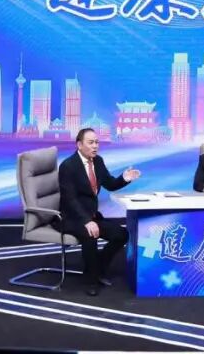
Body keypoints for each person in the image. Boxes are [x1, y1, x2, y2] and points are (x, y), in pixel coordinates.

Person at [56, 127, 141, 296]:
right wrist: (86, 221)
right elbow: (70, 200)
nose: (95, 146)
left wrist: (124, 178)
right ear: (79, 145)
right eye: (91, 142)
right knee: (90, 234)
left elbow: (110, 184)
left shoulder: (98, 161)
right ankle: (91, 280)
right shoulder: (68, 166)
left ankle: (96, 267)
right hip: (72, 218)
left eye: (97, 142)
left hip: (92, 216)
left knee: (122, 234)